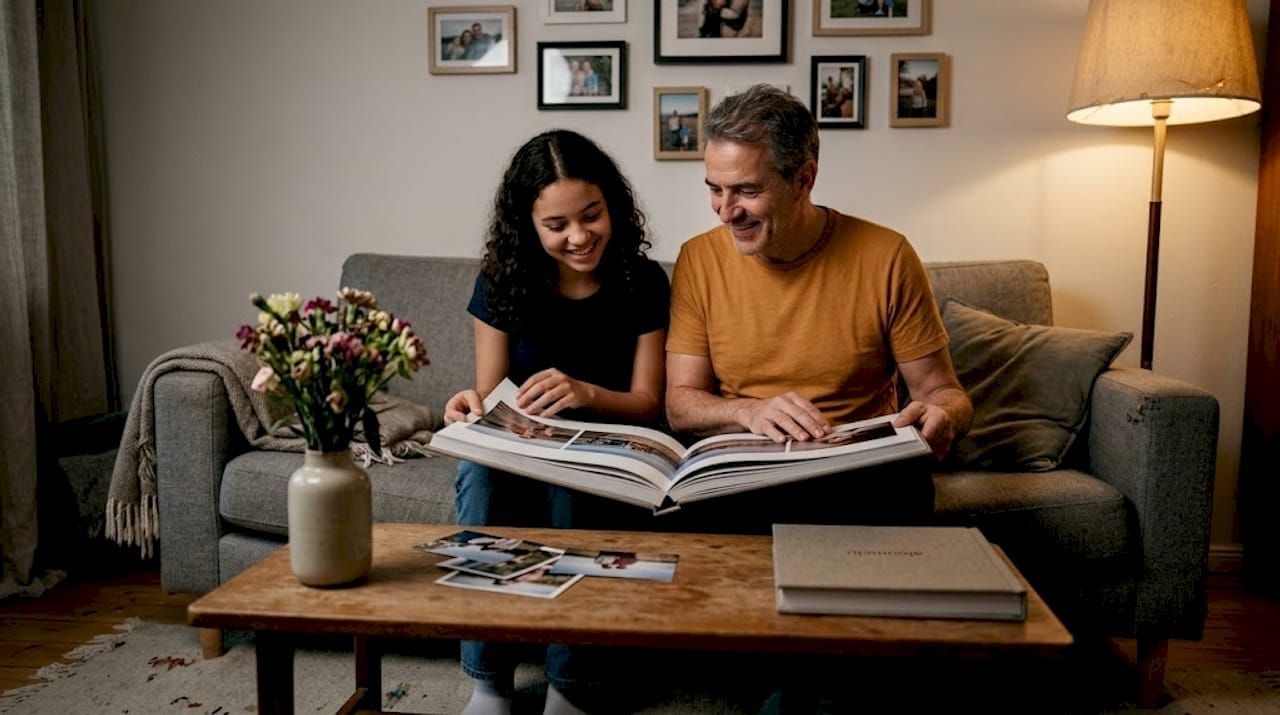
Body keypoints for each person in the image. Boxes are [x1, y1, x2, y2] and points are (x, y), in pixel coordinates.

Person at [663, 81, 972, 712]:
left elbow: (944, 392)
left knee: (890, 502)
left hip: (859, 473)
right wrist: (748, 410)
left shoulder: (886, 255)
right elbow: (680, 403)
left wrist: (942, 417)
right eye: (715, 191)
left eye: (747, 191)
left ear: (803, 179)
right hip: (747, 469)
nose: (726, 212)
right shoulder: (698, 260)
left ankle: (808, 689)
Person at [443, 129, 670, 715]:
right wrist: (468, 405)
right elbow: (491, 393)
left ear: (612, 205)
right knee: (479, 473)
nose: (578, 237)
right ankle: (488, 679)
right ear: (529, 226)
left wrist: (585, 391)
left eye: (591, 216)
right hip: (526, 446)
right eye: (557, 225)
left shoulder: (642, 281)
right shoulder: (500, 283)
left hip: (611, 448)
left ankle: (571, 684)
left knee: (569, 489)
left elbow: (649, 401)